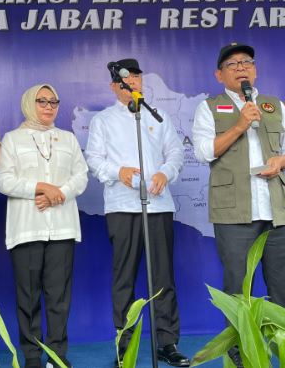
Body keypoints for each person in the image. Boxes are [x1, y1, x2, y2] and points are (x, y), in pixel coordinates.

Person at [191, 42, 285, 366]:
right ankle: (241, 356)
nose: (241, 67)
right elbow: (203, 151)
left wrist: (282, 160)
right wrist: (240, 124)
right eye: (233, 63)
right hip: (233, 211)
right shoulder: (208, 107)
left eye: (247, 62)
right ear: (219, 74)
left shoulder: (273, 104)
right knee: (239, 289)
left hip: (276, 208)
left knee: (283, 288)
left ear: (254, 70)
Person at [85, 58, 190, 368]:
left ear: (141, 81)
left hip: (158, 205)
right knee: (124, 277)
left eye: (134, 78)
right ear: (113, 86)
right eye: (123, 80)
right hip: (122, 205)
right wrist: (119, 171)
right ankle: (125, 344)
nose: (129, 83)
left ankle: (167, 342)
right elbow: (94, 159)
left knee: (162, 277)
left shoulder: (158, 116)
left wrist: (165, 173)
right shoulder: (103, 120)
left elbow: (176, 153)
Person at [0, 84, 89, 368]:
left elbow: (81, 176)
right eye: (42, 101)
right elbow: (3, 181)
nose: (49, 107)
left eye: (54, 102)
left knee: (59, 297)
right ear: (28, 104)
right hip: (27, 229)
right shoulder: (12, 139)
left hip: (62, 227)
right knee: (28, 296)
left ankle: (57, 356)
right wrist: (41, 187)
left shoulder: (68, 138)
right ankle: (33, 356)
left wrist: (57, 194)